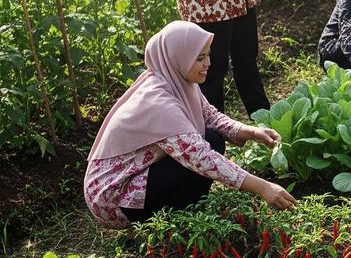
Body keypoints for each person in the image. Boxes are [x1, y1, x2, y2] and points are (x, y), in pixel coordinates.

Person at [84, 21, 297, 229]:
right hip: (113, 197)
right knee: (205, 151)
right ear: (179, 57)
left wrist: (253, 132)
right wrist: (264, 187)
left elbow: (210, 116)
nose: (208, 64)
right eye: (200, 58)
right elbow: (202, 158)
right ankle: (172, 222)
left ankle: (183, 212)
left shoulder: (174, 79)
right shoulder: (158, 103)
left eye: (208, 55)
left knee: (212, 138)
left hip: (136, 177)